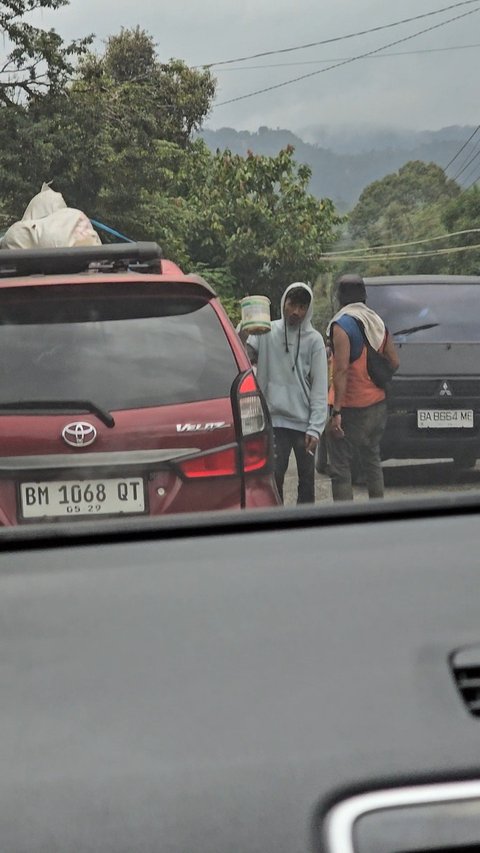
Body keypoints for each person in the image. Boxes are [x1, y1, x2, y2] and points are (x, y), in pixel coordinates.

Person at [240, 283, 328, 504]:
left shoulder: (314, 340)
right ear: (283, 304)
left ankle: (305, 529)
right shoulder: (266, 330)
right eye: (291, 305)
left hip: (304, 422)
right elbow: (243, 354)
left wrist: (316, 428)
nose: (295, 312)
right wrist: (245, 324)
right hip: (274, 420)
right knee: (275, 476)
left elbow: (319, 386)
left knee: (307, 480)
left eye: (301, 306)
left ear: (308, 309)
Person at [326, 273, 399, 501]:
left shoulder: (342, 325)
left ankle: (346, 522)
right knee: (372, 459)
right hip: (377, 405)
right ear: (364, 296)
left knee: (340, 466)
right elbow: (394, 362)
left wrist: (336, 412)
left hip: (351, 407)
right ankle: (379, 512)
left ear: (339, 297)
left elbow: (341, 370)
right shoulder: (376, 322)